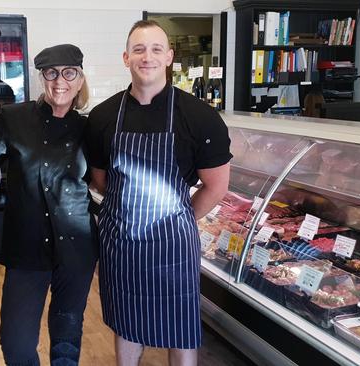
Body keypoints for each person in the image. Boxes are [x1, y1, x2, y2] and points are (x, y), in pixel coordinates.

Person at [85, 20, 232, 366]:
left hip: (173, 246)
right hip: (121, 244)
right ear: (126, 58)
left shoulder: (199, 117)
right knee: (127, 323)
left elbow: (217, 186)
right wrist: (131, 214)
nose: (146, 57)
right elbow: (100, 181)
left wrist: (175, 219)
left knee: (179, 326)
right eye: (138, 49)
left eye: (155, 49)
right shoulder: (103, 116)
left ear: (168, 57)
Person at [0, 44, 98, 366]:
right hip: (26, 248)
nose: (59, 80)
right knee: (15, 342)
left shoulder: (88, 128)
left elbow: (103, 179)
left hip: (76, 249)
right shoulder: (13, 118)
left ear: (79, 79)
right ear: (41, 78)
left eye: (68, 73)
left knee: (66, 340)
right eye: (51, 72)